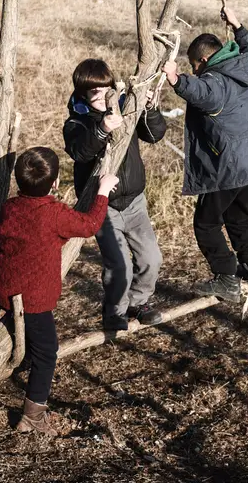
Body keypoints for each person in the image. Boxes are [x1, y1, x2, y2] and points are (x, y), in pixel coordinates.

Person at [0, 147, 119, 435]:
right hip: (32, 298)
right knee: (47, 353)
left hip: (1, 287)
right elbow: (90, 225)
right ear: (56, 183)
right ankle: (33, 417)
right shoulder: (54, 214)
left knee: (26, 340)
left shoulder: (9, 207)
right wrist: (103, 191)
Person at [162, 7, 248, 304]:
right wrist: (238, 25)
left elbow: (204, 92)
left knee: (206, 223)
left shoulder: (217, 82)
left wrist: (177, 79)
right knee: (240, 216)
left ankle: (226, 278)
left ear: (205, 60)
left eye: (196, 65)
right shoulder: (247, 64)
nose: (196, 70)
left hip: (230, 167)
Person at [63, 59, 168, 331]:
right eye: (91, 90)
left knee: (151, 259)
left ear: (113, 87)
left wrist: (149, 110)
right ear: (82, 92)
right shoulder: (77, 122)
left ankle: (138, 302)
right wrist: (102, 129)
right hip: (102, 206)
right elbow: (79, 152)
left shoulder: (127, 109)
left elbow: (154, 134)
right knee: (119, 265)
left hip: (134, 201)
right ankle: (114, 313)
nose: (99, 94)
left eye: (104, 88)